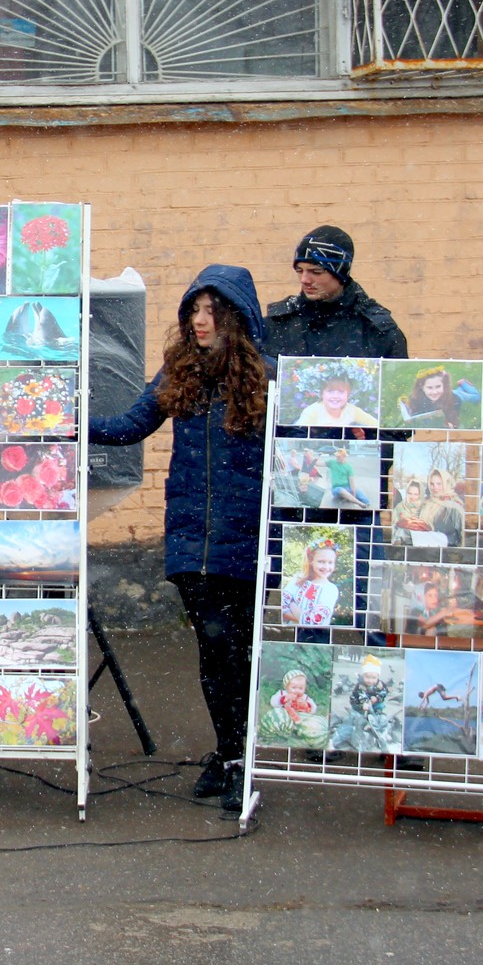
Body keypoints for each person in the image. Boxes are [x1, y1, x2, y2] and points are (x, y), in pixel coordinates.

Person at [90, 265, 272, 811]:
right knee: (213, 650)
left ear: (234, 317)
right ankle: (228, 752)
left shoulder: (267, 375)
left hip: (245, 534)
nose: (199, 321)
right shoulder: (181, 370)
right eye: (193, 310)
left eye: (210, 312)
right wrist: (70, 424)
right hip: (192, 537)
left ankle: (242, 759)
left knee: (239, 651)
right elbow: (131, 425)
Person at [264, 225, 408, 361]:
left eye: (316, 272)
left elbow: (398, 384)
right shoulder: (277, 324)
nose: (304, 279)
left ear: (340, 274)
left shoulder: (376, 330)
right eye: (299, 270)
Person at [281, 539, 341, 628]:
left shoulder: (331, 589)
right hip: (291, 634)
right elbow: (281, 606)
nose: (326, 567)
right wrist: (304, 615)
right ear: (311, 561)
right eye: (321, 562)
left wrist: (292, 604)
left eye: (330, 562)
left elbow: (314, 621)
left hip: (316, 637)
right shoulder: (297, 581)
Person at [294, 374, 378, 428]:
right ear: (321, 394)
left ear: (348, 394)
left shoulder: (352, 410)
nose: (335, 396)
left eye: (341, 392)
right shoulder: (312, 412)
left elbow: (376, 425)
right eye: (330, 391)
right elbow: (298, 433)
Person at [398, 366, 463, 428]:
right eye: (429, 388)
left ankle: (463, 385)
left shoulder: (454, 399)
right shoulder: (415, 399)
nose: (434, 392)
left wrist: (451, 426)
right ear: (422, 388)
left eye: (438, 386)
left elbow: (453, 420)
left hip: (456, 393)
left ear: (444, 386)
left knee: (466, 394)